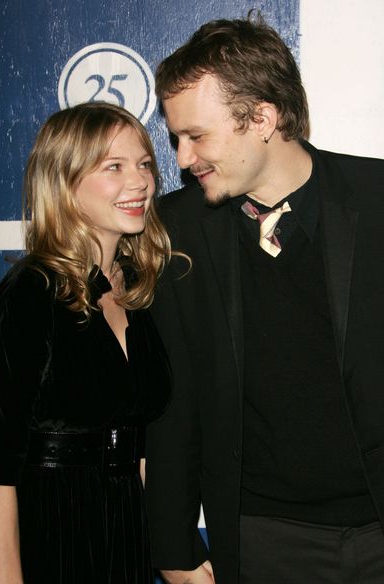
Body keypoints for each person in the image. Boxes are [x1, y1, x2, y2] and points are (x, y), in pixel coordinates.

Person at [144, 13, 384, 584]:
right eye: (176, 138)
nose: (180, 158)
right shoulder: (178, 231)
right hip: (265, 538)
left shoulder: (377, 202)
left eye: (196, 136)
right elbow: (173, 405)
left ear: (262, 118)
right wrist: (173, 548)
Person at [0, 101, 172, 584]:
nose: (141, 182)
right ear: (65, 182)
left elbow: (144, 442)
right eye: (114, 167)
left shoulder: (137, 290)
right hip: (51, 532)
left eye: (144, 164)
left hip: (126, 533)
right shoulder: (30, 294)